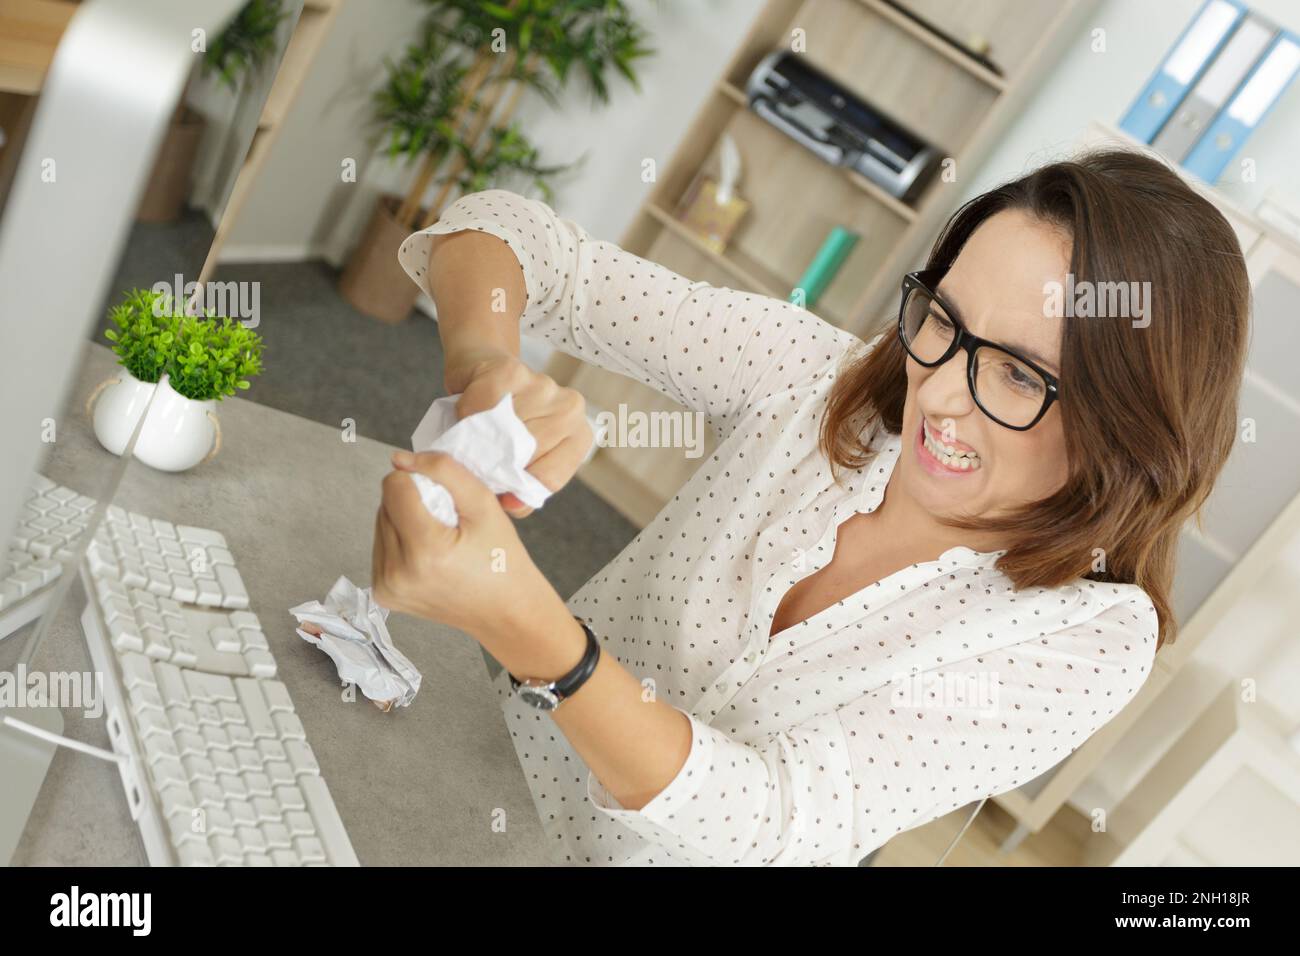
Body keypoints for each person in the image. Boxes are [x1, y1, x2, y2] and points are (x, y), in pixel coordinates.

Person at [372, 147, 1250, 865]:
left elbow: (773, 823)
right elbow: (507, 232)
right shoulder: (817, 379)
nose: (939, 395)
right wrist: (485, 366)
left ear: (1129, 425)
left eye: (1021, 373)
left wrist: (535, 638)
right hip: (468, 778)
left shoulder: (1087, 638)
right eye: (943, 320)